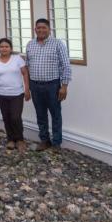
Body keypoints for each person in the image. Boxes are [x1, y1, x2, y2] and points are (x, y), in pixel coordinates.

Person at [25, 18, 72, 152]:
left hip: (53, 85)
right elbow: (27, 66)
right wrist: (27, 87)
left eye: (43, 27)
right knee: (40, 114)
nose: (41, 30)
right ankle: (44, 140)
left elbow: (66, 66)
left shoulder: (58, 44)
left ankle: (56, 143)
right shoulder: (30, 44)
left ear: (49, 29)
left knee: (55, 114)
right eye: (38, 28)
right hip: (35, 85)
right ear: (35, 29)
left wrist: (64, 86)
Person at [0, 38, 31, 151]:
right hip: (1, 94)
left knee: (15, 117)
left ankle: (20, 139)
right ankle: (10, 139)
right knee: (6, 117)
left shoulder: (17, 59)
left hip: (17, 93)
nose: (4, 48)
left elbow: (25, 73)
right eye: (2, 46)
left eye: (6, 46)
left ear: (11, 48)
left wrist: (27, 89)